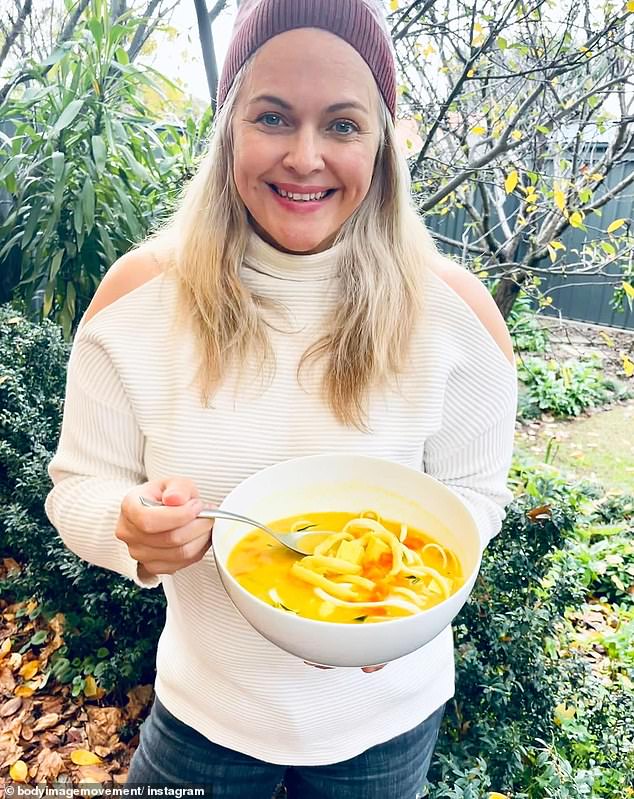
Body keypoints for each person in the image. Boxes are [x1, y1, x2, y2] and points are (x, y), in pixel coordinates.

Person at [45, 0, 517, 796]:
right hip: (205, 713)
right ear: (228, 128)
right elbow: (78, 486)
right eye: (272, 116)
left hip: (386, 718)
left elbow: (475, 494)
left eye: (342, 124)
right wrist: (127, 527)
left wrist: (407, 601)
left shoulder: (457, 315)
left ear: (382, 144)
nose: (305, 157)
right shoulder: (138, 298)